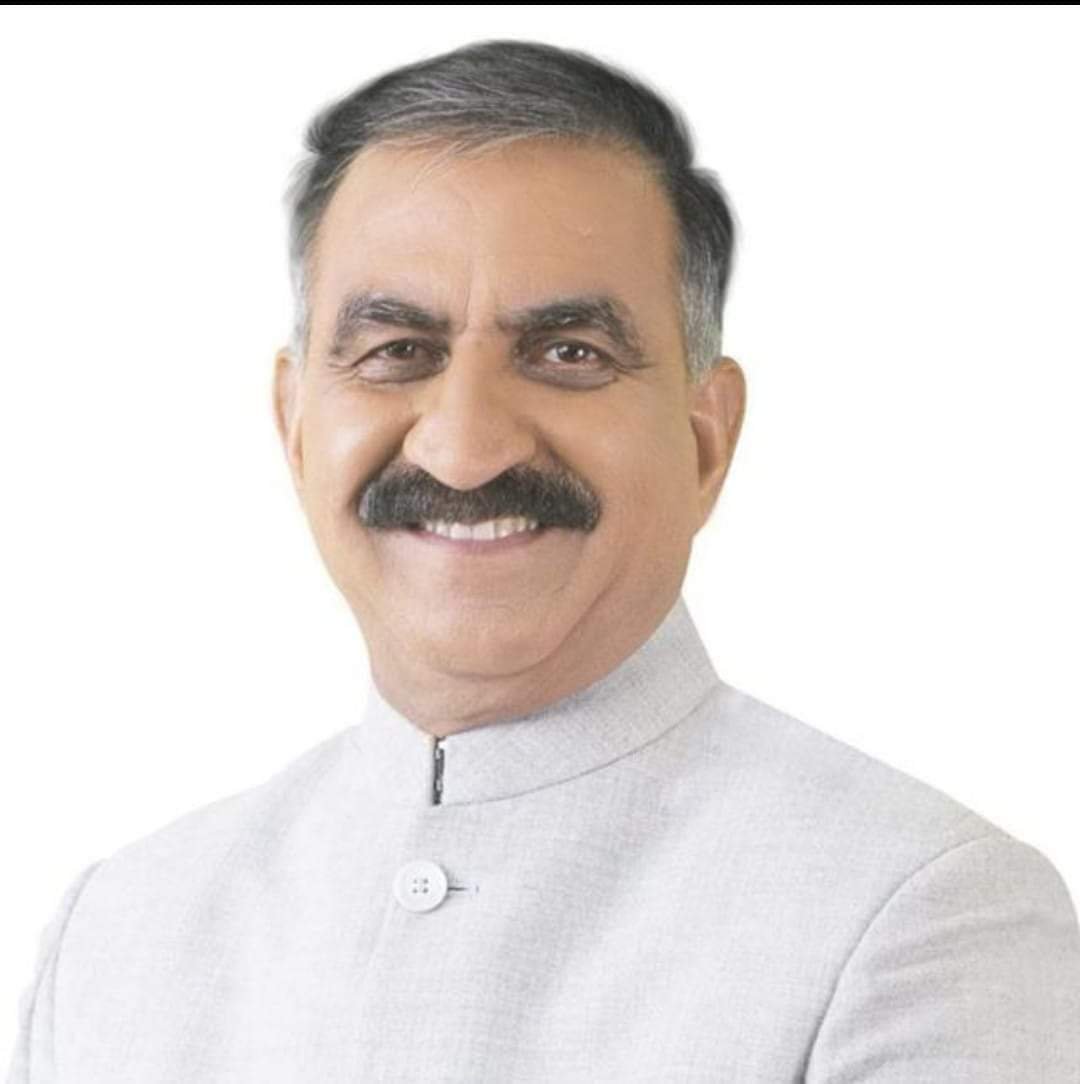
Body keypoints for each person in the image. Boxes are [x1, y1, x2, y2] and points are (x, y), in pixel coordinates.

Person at [7, 37, 1079, 1084]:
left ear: (705, 442)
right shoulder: (120, 933)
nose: (465, 448)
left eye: (570, 353)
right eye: (397, 352)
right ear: (296, 431)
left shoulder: (919, 916)